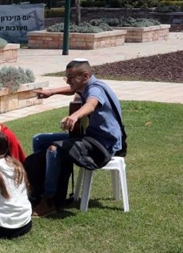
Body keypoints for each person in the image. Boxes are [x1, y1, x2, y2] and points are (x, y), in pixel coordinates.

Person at [31, 59, 124, 217]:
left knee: (54, 149)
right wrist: (51, 92)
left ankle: (49, 199)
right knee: (39, 139)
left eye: (71, 77)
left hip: (103, 144)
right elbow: (72, 89)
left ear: (85, 76)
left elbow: (91, 104)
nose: (68, 81)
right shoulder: (85, 85)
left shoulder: (95, 89)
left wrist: (75, 115)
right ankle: (41, 187)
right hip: (90, 136)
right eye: (66, 77)